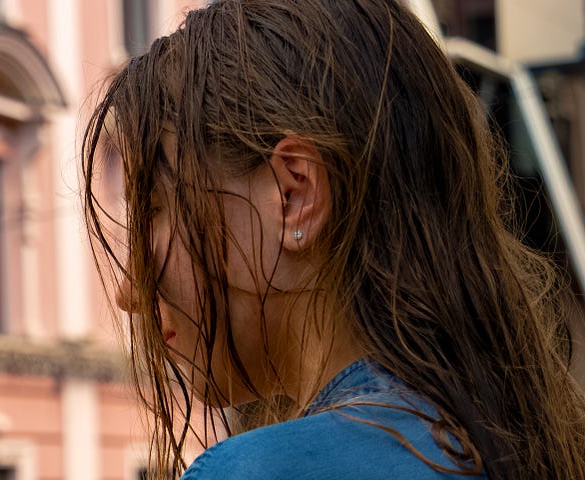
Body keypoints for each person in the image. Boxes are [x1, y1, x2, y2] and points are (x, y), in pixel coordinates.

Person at [81, 0, 585, 478]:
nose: (130, 291)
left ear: (292, 194)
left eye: (155, 209)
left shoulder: (259, 471)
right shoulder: (526, 441)